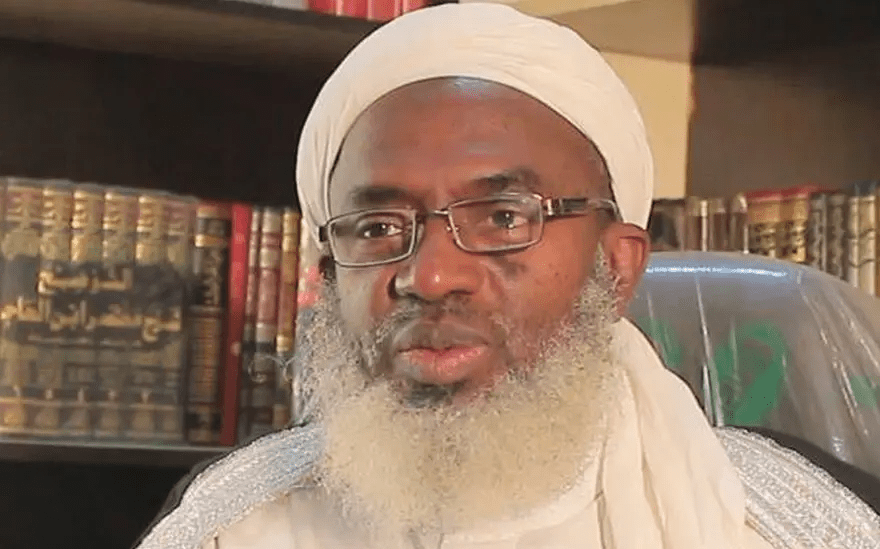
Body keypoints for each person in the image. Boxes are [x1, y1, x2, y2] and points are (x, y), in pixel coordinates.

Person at [134, 3, 880, 548]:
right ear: (329, 279)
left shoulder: (791, 524)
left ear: (615, 267)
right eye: (379, 228)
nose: (430, 276)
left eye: (501, 217)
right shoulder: (230, 526)